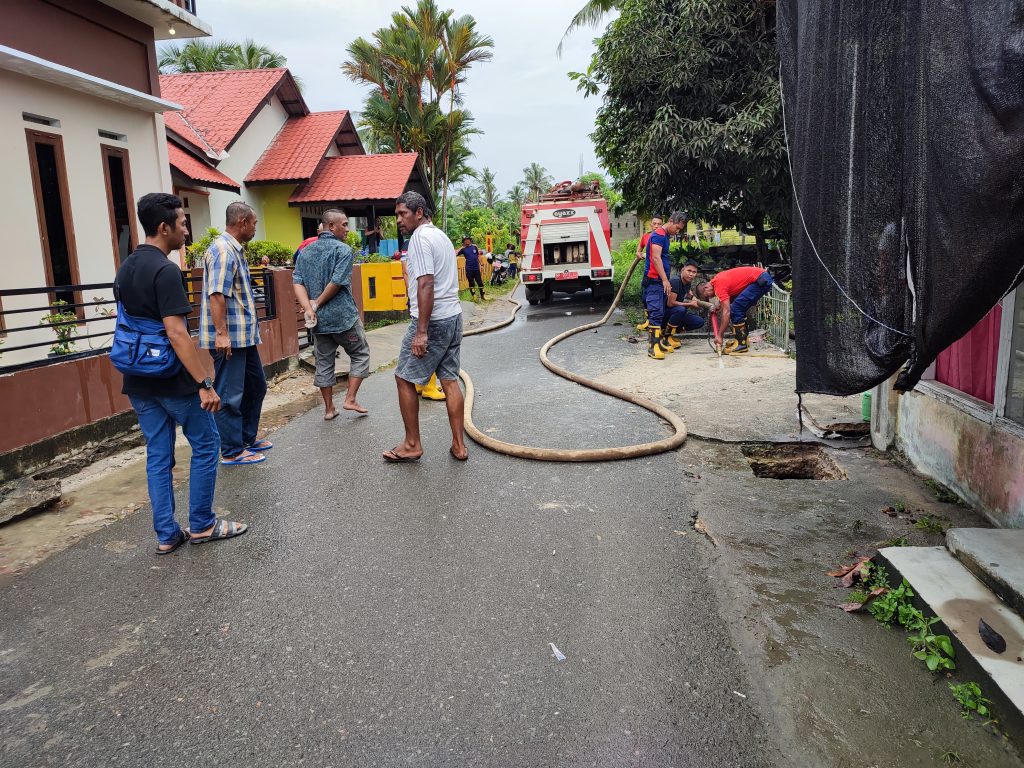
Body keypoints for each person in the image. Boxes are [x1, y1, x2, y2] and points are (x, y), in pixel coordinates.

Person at [114, 193, 247, 553]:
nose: (187, 230)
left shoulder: (125, 267)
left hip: (138, 379)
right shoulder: (165, 269)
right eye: (183, 223)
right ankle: (202, 524)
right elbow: (175, 332)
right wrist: (204, 383)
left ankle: (166, 535)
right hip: (171, 379)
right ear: (164, 227)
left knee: (159, 454)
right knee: (206, 444)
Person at [384, 191, 468, 463]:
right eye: (397, 214)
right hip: (453, 316)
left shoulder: (419, 239)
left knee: (404, 378)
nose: (398, 220)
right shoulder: (440, 235)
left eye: (402, 214)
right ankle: (459, 446)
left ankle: (412, 444)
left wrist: (421, 331)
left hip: (433, 321)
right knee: (449, 379)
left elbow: (426, 283)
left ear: (419, 213)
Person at [200, 202, 270, 465]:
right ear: (242, 222)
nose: (255, 228)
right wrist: (221, 334)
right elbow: (216, 293)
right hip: (230, 339)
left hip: (244, 337)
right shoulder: (222, 251)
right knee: (229, 395)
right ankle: (231, 450)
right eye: (253, 223)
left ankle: (245, 439)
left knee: (256, 386)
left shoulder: (235, 250)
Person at [292, 209, 371, 420]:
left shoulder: (305, 252)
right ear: (331, 226)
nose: (347, 229)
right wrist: (316, 303)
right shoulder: (342, 250)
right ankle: (350, 398)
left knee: (324, 362)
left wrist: (310, 309)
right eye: (344, 225)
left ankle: (329, 409)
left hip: (318, 322)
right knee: (360, 354)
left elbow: (297, 282)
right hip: (343, 318)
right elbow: (336, 282)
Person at [694, 265, 774, 354]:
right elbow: (731, 294)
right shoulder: (717, 280)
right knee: (738, 308)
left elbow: (727, 312)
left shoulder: (718, 285)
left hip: (760, 280)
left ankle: (741, 344)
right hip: (760, 278)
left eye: (707, 296)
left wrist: (720, 336)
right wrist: (720, 305)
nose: (710, 297)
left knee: (735, 310)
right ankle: (743, 340)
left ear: (706, 288)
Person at [642, 211, 688, 359]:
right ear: (670, 221)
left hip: (659, 282)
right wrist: (665, 280)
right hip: (654, 281)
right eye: (677, 228)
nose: (677, 231)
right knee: (655, 312)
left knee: (660, 312)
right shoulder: (658, 235)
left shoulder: (665, 236)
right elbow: (655, 258)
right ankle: (652, 347)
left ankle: (659, 342)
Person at [664, 259, 705, 345]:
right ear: (682, 270)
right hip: (665, 314)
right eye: (689, 271)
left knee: (699, 321)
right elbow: (670, 303)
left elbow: (689, 292)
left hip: (675, 314)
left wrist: (694, 298)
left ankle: (674, 329)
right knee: (681, 309)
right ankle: (667, 337)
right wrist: (690, 304)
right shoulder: (675, 281)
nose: (691, 274)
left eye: (694, 272)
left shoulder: (687, 281)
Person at [634, 216, 663, 331]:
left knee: (656, 300)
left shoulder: (663, 237)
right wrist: (639, 253)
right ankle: (648, 321)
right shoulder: (646, 237)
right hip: (648, 273)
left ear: (662, 225)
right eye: (654, 224)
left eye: (659, 224)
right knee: (645, 297)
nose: (656, 226)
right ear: (651, 225)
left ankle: (656, 325)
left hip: (658, 274)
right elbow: (639, 249)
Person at [456, 235, 485, 301]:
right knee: (471, 282)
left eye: (468, 239)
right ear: (463, 241)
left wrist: (482, 264)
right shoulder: (463, 249)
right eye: (465, 240)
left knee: (480, 282)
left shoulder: (474, 247)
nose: (467, 240)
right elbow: (455, 254)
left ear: (470, 240)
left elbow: (478, 256)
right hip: (469, 269)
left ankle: (483, 295)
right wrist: (461, 247)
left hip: (476, 268)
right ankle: (474, 295)